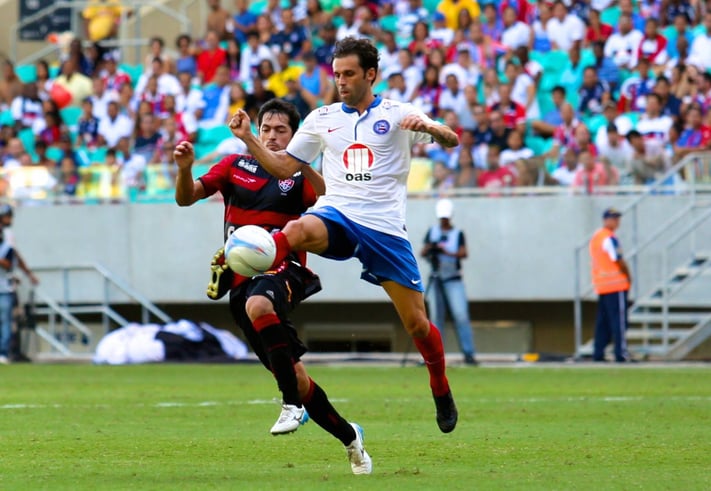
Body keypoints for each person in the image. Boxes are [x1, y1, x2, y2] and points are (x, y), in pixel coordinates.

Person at [228, 36, 460, 434]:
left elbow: (452, 139)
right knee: (297, 228)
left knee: (418, 325)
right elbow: (284, 168)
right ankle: (264, 281)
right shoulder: (322, 118)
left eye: (349, 73)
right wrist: (249, 139)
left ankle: (439, 384)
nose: (341, 81)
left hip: (385, 230)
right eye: (337, 74)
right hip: (337, 214)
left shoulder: (400, 113)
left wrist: (432, 128)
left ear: (371, 74)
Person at [173, 99, 372, 475]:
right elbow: (186, 197)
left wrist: (301, 161)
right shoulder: (234, 166)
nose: (273, 136)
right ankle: (351, 439)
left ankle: (290, 405)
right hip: (241, 283)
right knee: (297, 378)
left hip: (286, 270)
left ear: (295, 136)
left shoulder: (298, 177)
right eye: (267, 129)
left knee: (260, 306)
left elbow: (334, 197)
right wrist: (184, 169)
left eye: (282, 131)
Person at [421, 199, 477, 365]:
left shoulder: (457, 233)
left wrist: (446, 251)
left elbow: (463, 253)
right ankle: (434, 356)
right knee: (436, 318)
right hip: (436, 277)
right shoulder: (432, 232)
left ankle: (469, 353)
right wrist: (431, 248)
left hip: (453, 278)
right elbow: (423, 251)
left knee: (460, 315)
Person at [590, 208, 632, 363]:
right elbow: (617, 259)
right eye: (614, 219)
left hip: (602, 284)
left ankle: (598, 352)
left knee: (603, 322)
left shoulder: (596, 237)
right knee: (619, 322)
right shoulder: (609, 238)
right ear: (606, 220)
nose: (616, 222)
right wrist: (628, 275)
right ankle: (620, 353)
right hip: (616, 284)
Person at [0, 204, 38, 364]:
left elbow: (12, 258)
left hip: (5, 287)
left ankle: (7, 352)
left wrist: (27, 273)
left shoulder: (7, 240)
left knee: (8, 321)